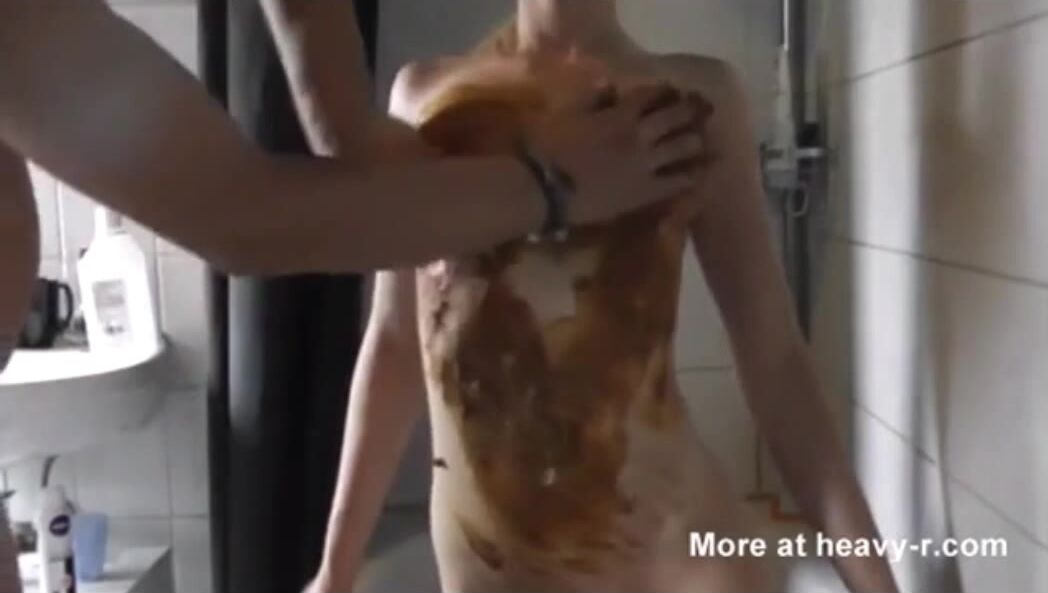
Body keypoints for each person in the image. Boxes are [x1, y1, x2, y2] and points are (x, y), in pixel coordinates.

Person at [0, 2, 709, 591]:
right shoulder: (431, 92)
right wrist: (548, 187)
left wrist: (361, 131)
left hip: (676, 548)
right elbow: (250, 222)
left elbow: (339, 148)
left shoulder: (691, 100)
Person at [308, 2, 901, 592]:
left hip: (678, 562)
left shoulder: (688, 104)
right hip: (496, 572)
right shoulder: (427, 103)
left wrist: (877, 584)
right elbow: (395, 343)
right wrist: (334, 570)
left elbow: (776, 361)